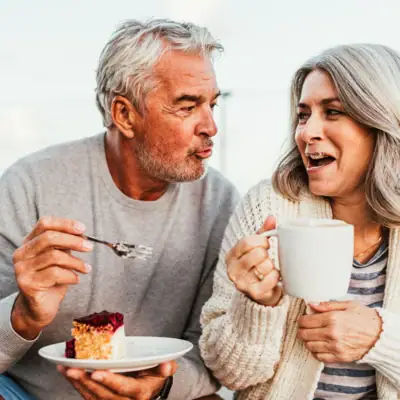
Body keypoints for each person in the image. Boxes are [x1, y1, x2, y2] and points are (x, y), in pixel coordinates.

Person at [0, 18, 240, 400]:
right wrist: (22, 315)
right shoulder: (29, 185)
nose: (211, 125)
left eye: (211, 103)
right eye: (187, 106)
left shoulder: (223, 205)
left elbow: (212, 356)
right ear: (124, 114)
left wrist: (160, 388)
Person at [199, 43, 400, 399]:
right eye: (304, 115)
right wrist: (256, 306)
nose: (307, 133)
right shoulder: (270, 206)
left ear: (381, 121)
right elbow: (227, 373)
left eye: (333, 112)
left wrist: (380, 338)